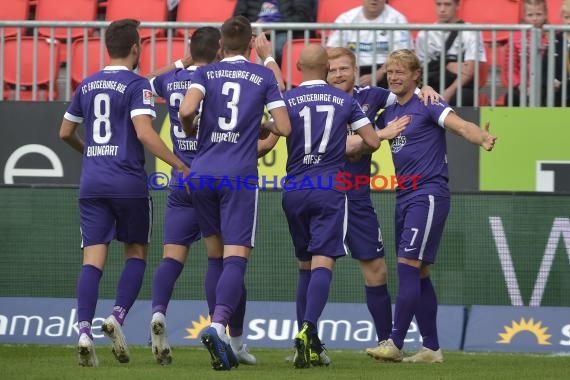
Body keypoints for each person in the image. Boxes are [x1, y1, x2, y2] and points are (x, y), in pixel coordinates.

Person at [58, 19, 191, 367]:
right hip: (128, 182)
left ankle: (84, 331)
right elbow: (145, 134)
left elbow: (64, 132)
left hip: (92, 182)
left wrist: (88, 150)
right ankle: (116, 316)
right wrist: (179, 164)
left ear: (107, 47)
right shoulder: (136, 85)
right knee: (136, 253)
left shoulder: (86, 84)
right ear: (136, 47)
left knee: (92, 259)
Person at [365, 49, 496, 363]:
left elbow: (461, 126)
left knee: (408, 266)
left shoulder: (429, 103)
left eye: (400, 72)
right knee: (419, 271)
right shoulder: (390, 110)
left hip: (428, 194)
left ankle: (395, 343)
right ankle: (432, 349)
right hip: (404, 196)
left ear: (416, 76)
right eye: (390, 72)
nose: (394, 77)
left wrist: (481, 137)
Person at [178, 15, 291, 371]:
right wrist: (262, 124)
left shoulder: (205, 72)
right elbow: (285, 127)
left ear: (221, 46)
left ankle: (231, 338)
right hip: (238, 177)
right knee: (236, 257)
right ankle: (218, 327)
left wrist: (190, 127)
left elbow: (185, 110)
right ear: (251, 45)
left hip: (201, 174)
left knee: (214, 257)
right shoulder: (262, 76)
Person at [326, 46, 439, 351]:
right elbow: (342, 146)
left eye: (343, 69)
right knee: (311, 268)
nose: (338, 74)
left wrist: (427, 88)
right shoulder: (318, 101)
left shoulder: (373, 96)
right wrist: (381, 134)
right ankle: (306, 340)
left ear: (355, 71)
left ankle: (386, 342)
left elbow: (407, 96)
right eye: (332, 69)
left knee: (377, 269)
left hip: (358, 196)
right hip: (324, 195)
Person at [281, 44, 385, 369]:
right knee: (323, 261)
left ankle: (302, 338)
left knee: (304, 265)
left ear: (298, 67)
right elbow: (373, 140)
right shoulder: (345, 100)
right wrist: (344, 147)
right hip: (328, 188)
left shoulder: (286, 100)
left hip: (294, 189)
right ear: (327, 67)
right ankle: (309, 331)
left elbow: (271, 137)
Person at [415, 0, 486, 106]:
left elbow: (468, 71)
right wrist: (448, 64)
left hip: (459, 86)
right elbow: (421, 69)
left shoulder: (470, 31)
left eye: (447, 4)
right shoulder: (424, 34)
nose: (442, 9)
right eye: (439, 4)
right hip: (432, 83)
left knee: (463, 97)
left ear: (457, 5)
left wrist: (448, 92)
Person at [326, 0, 411, 88]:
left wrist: (377, 75)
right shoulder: (345, 19)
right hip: (352, 68)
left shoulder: (398, 19)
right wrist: (351, 73)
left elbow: (403, 56)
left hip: (385, 69)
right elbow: (332, 53)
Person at [233, 0, 315, 65]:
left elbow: (302, 17)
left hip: (284, 31)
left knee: (279, 47)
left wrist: (273, 27)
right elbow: (238, 17)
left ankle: (273, 81)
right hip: (255, 31)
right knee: (234, 43)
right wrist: (251, 27)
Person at [501, 0, 548, 106]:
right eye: (530, 15)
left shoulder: (553, 36)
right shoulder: (515, 38)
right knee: (512, 96)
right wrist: (520, 85)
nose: (534, 18)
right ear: (524, 16)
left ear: (545, 15)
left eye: (539, 14)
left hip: (546, 86)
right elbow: (510, 68)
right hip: (521, 87)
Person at [541, 0, 570, 107]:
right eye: (567, 17)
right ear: (562, 18)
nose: (569, 22)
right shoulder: (555, 40)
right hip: (559, 90)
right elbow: (545, 67)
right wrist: (551, 80)